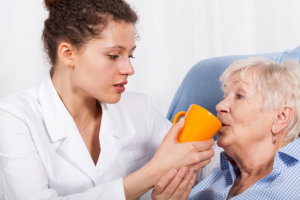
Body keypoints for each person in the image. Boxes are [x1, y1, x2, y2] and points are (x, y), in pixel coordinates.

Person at [0, 0, 217, 199]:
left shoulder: (138, 108)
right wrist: (154, 172)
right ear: (68, 54)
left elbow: (206, 163)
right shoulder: (15, 116)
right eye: (114, 56)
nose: (129, 69)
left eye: (129, 55)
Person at [152, 57, 300, 200]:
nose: (219, 106)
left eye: (239, 96)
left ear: (281, 117)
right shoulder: (219, 174)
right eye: (224, 97)